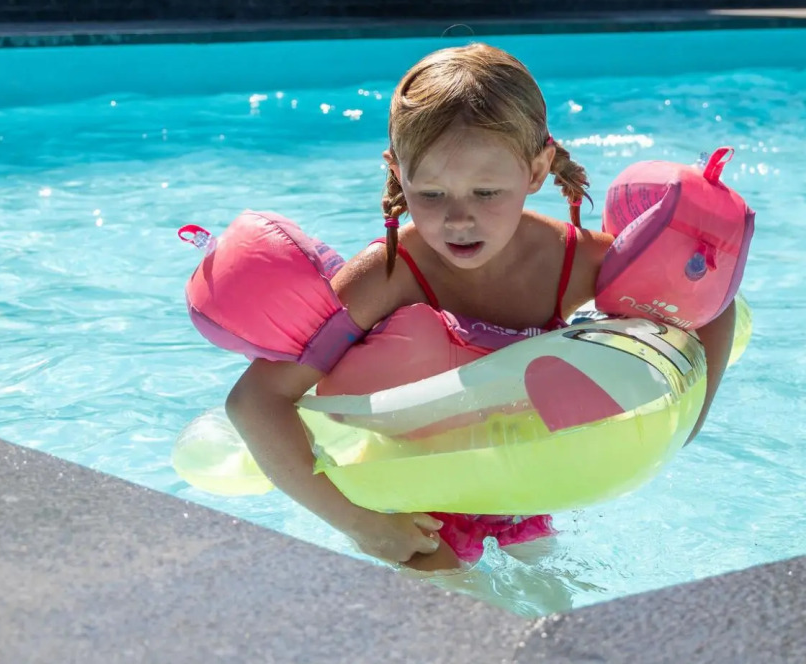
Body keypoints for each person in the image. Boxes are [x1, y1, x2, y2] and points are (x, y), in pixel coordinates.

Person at [222, 43, 738, 571]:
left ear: (537, 170)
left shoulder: (574, 262)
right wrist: (360, 524)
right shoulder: (389, 275)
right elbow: (254, 402)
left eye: (487, 193)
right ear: (397, 171)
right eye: (431, 194)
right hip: (412, 498)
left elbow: (712, 304)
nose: (458, 220)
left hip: (518, 490)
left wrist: (690, 420)